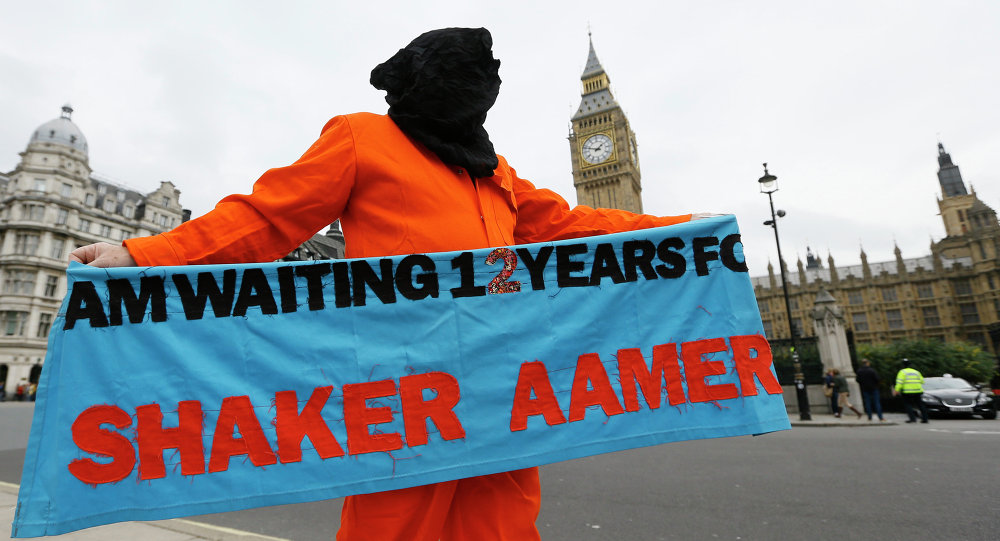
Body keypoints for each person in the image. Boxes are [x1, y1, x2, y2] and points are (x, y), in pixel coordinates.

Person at [69, 28, 697, 541]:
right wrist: (144, 252)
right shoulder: (362, 137)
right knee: (393, 527)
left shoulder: (493, 169)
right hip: (406, 390)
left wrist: (683, 229)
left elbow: (570, 224)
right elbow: (267, 216)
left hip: (501, 387)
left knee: (503, 529)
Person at [894, 358, 928, 423]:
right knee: (920, 405)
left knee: (908, 405)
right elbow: (922, 381)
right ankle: (925, 419)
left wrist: (896, 390)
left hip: (907, 392)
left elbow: (899, 382)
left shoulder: (902, 372)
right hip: (918, 391)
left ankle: (913, 419)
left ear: (903, 365)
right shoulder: (916, 372)